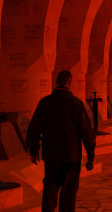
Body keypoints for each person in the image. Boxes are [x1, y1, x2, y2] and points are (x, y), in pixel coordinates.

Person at [26, 70, 96, 212]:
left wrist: (33, 150)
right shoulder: (76, 104)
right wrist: (90, 156)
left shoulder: (44, 103)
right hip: (72, 156)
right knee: (69, 194)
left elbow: (33, 129)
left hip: (52, 155)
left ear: (56, 82)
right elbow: (87, 132)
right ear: (70, 83)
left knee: (50, 190)